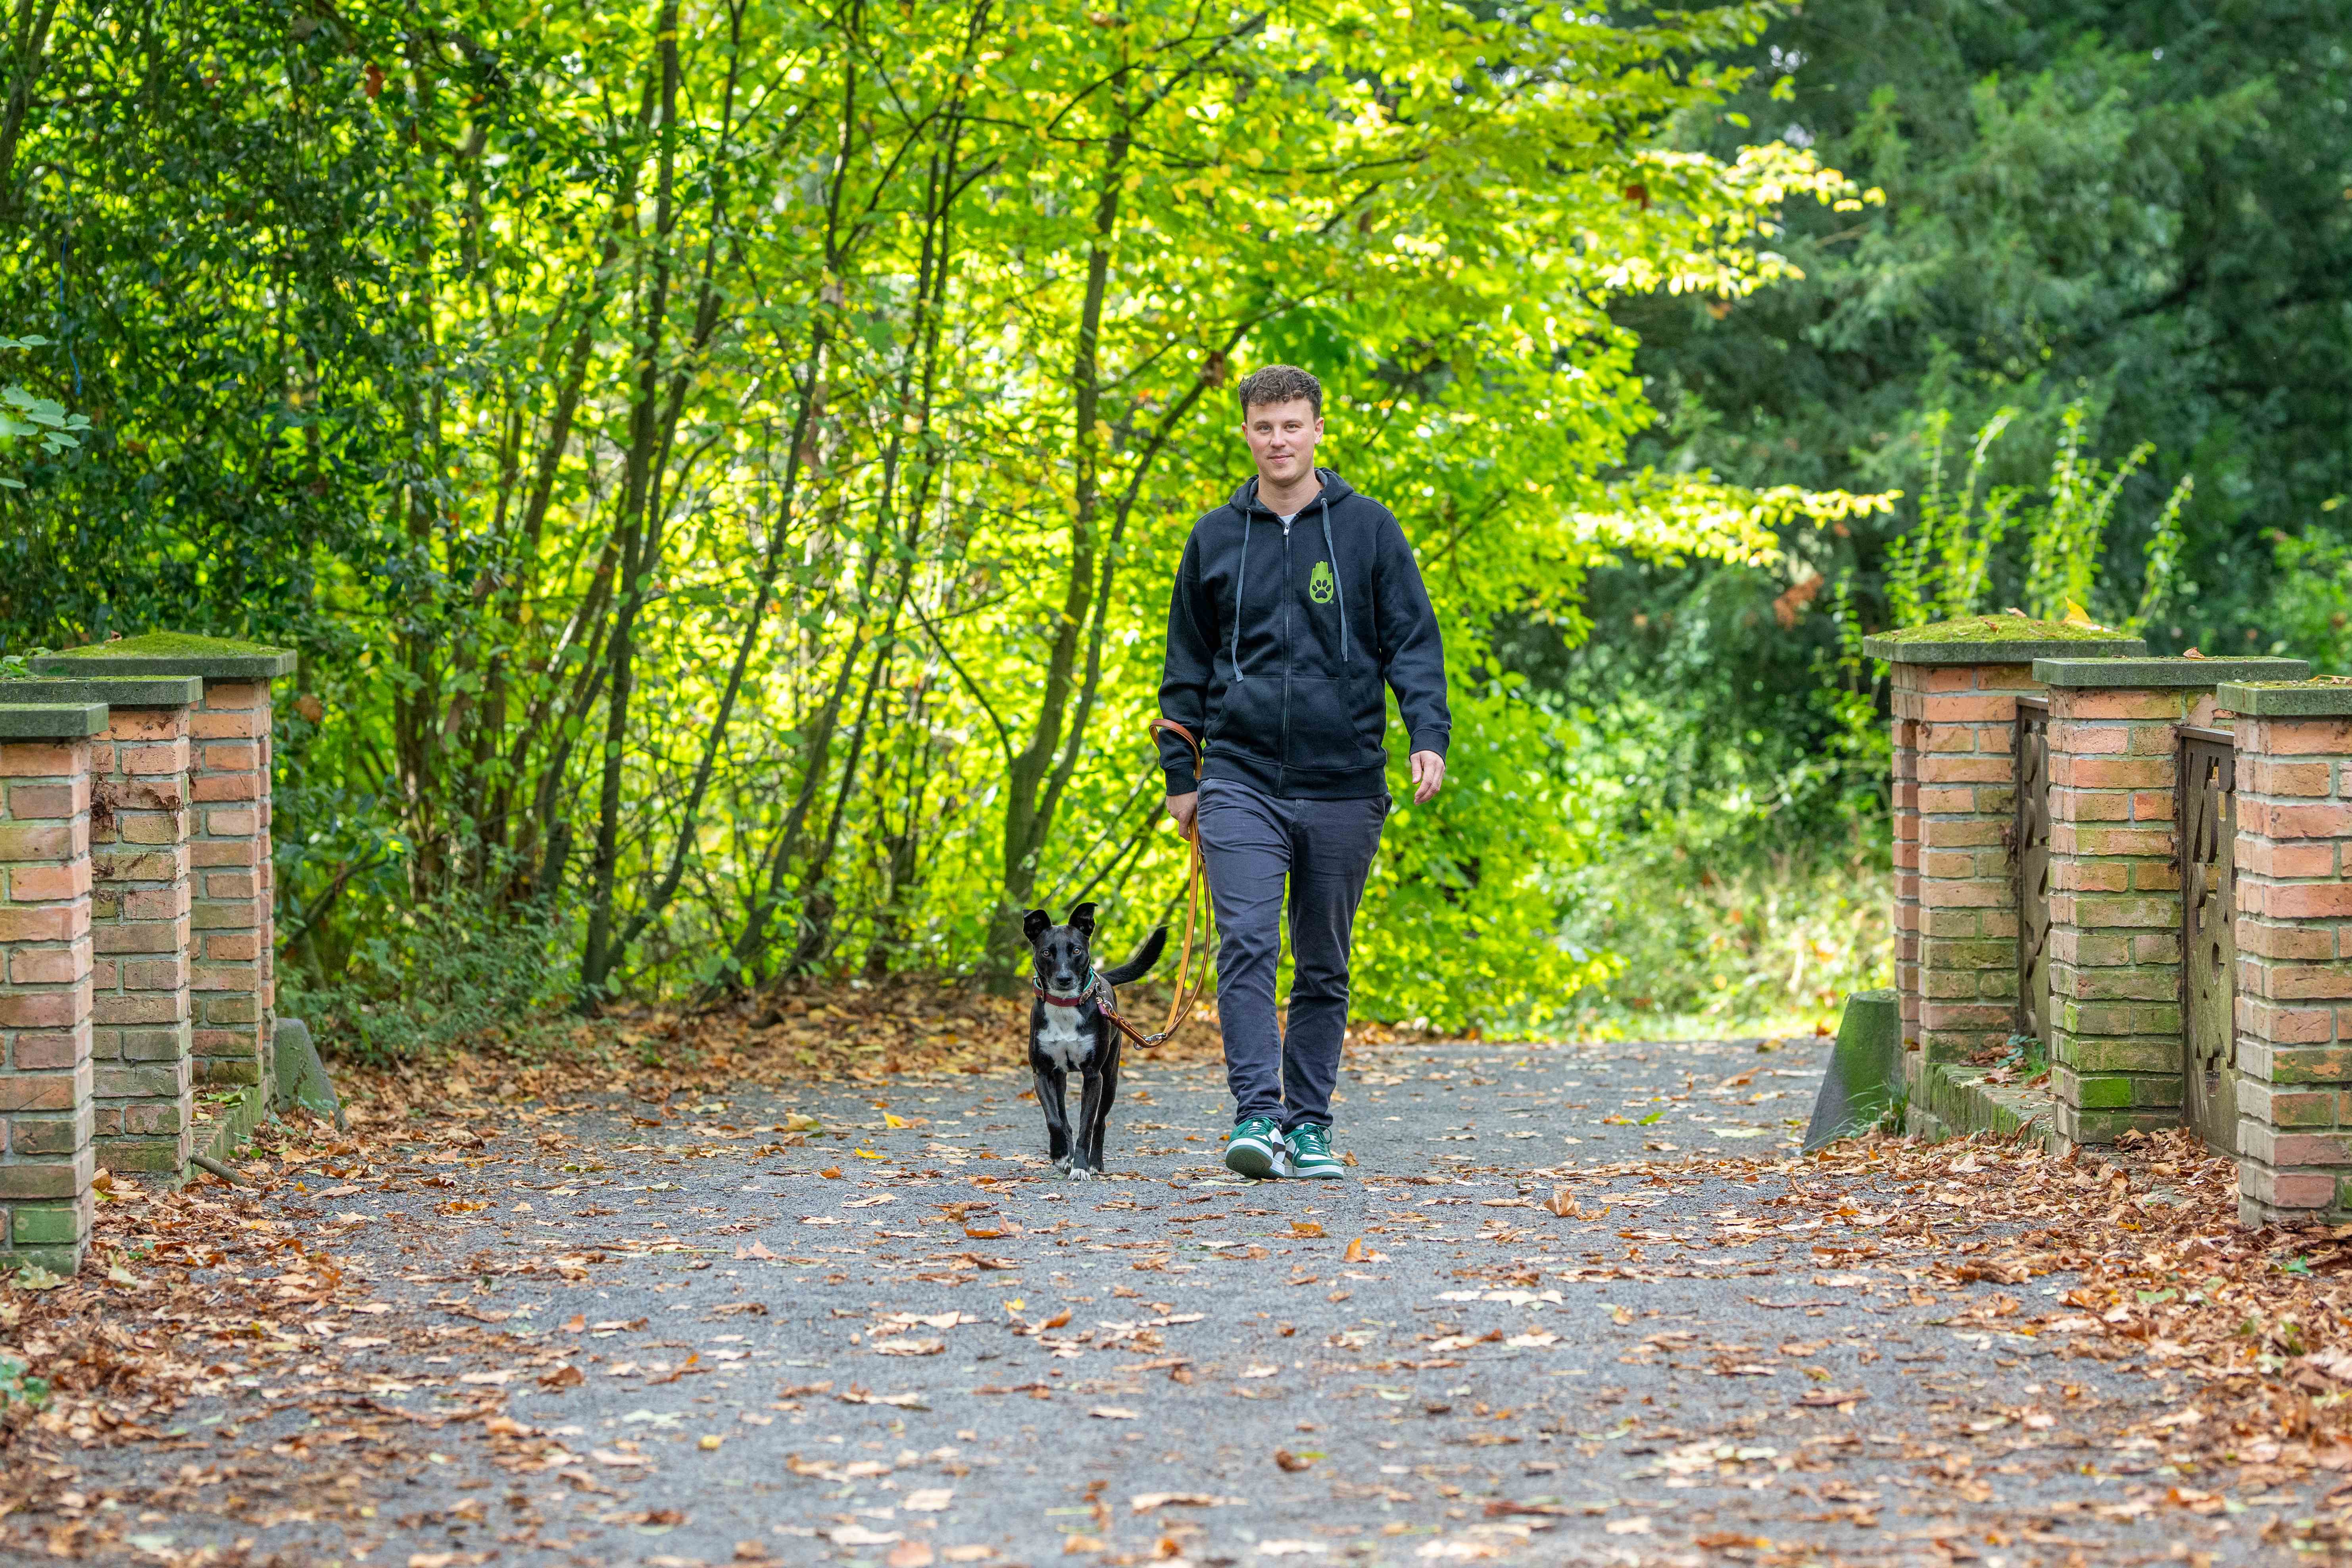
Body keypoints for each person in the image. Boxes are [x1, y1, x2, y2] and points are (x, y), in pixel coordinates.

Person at [1156, 364, 1450, 1180]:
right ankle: (1259, 1115)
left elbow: (1414, 644)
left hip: (1346, 779)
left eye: (1292, 424)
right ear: (1246, 434)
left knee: (1323, 958)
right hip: (1240, 775)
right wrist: (1182, 774)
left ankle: (1310, 1122)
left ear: (1319, 428)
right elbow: (1186, 664)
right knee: (1247, 941)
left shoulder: (1368, 530)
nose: (1278, 440)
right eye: (1263, 427)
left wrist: (1428, 733)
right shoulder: (1216, 536)